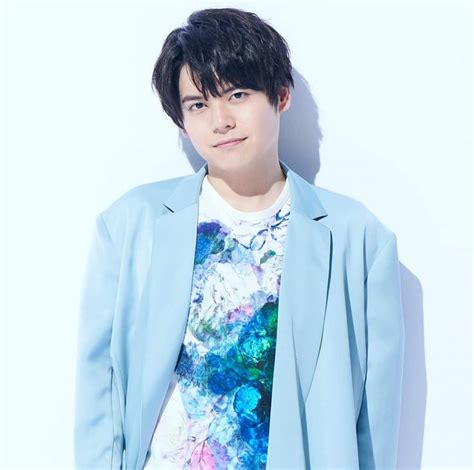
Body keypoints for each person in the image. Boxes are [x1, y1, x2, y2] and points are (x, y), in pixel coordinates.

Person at [74, 7, 405, 470]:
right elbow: (100, 384)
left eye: (238, 94)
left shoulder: (357, 237)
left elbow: (377, 411)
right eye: (198, 104)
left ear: (281, 95)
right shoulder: (131, 224)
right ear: (182, 119)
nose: (221, 120)